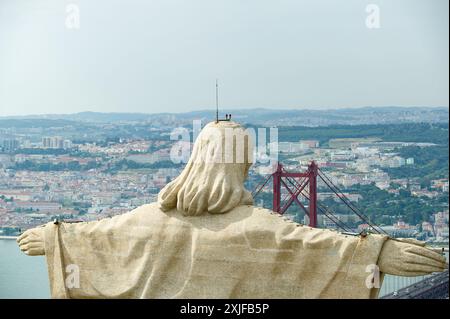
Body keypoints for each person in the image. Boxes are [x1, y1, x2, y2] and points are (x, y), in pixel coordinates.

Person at [17, 121, 447, 298]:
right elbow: (316, 247)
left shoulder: (143, 221)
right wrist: (377, 254)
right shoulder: (260, 228)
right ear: (241, 164)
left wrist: (53, 238)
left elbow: (94, 236)